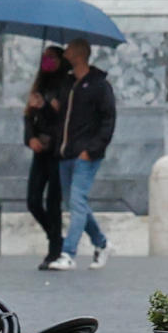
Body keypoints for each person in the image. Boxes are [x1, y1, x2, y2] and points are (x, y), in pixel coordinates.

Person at [56, 40, 117, 267]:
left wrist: (92, 150)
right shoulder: (69, 84)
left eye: (70, 48)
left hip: (85, 155)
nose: (66, 52)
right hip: (66, 154)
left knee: (77, 201)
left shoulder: (99, 85)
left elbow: (108, 120)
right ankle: (101, 243)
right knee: (75, 203)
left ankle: (68, 254)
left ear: (80, 54)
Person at [23, 47, 71, 270]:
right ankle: (56, 238)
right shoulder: (40, 85)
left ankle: (54, 250)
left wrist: (45, 108)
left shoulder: (66, 84)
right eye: (45, 57)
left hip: (57, 151)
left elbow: (63, 119)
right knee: (33, 200)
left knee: (53, 203)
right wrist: (30, 138)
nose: (47, 62)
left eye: (52, 58)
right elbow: (28, 118)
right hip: (40, 151)